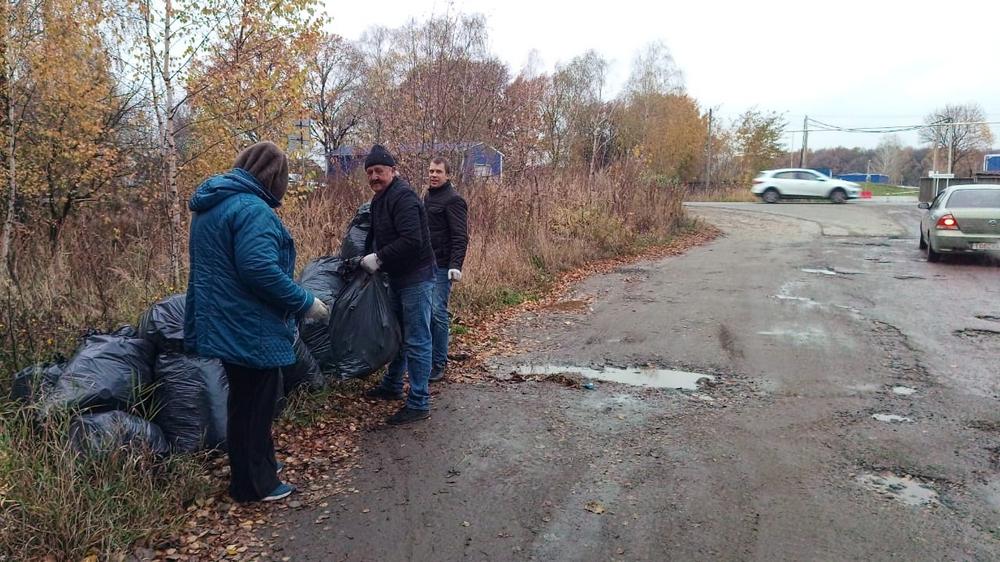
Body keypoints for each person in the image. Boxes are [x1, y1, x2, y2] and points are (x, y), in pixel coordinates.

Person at [185, 141, 329, 503]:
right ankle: (254, 485)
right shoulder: (253, 210)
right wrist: (305, 302)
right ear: (274, 178)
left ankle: (257, 466)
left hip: (224, 320)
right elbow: (259, 269)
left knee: (245, 400)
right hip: (249, 323)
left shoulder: (213, 204)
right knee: (257, 403)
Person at [360, 144, 436, 425]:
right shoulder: (381, 199)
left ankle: (419, 402)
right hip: (398, 277)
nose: (374, 177)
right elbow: (377, 235)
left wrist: (378, 258)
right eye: (369, 172)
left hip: (417, 277)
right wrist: (362, 259)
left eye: (379, 170)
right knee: (398, 335)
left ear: (393, 170)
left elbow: (412, 240)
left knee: (417, 339)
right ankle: (392, 385)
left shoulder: (403, 197)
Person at [424, 156, 468, 382]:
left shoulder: (453, 200)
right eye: (431, 171)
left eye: (438, 172)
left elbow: (460, 236)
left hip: (442, 266)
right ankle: (427, 359)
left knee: (438, 313)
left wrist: (455, 266)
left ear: (448, 175)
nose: (433, 175)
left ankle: (439, 363)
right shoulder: (428, 197)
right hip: (424, 266)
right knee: (426, 314)